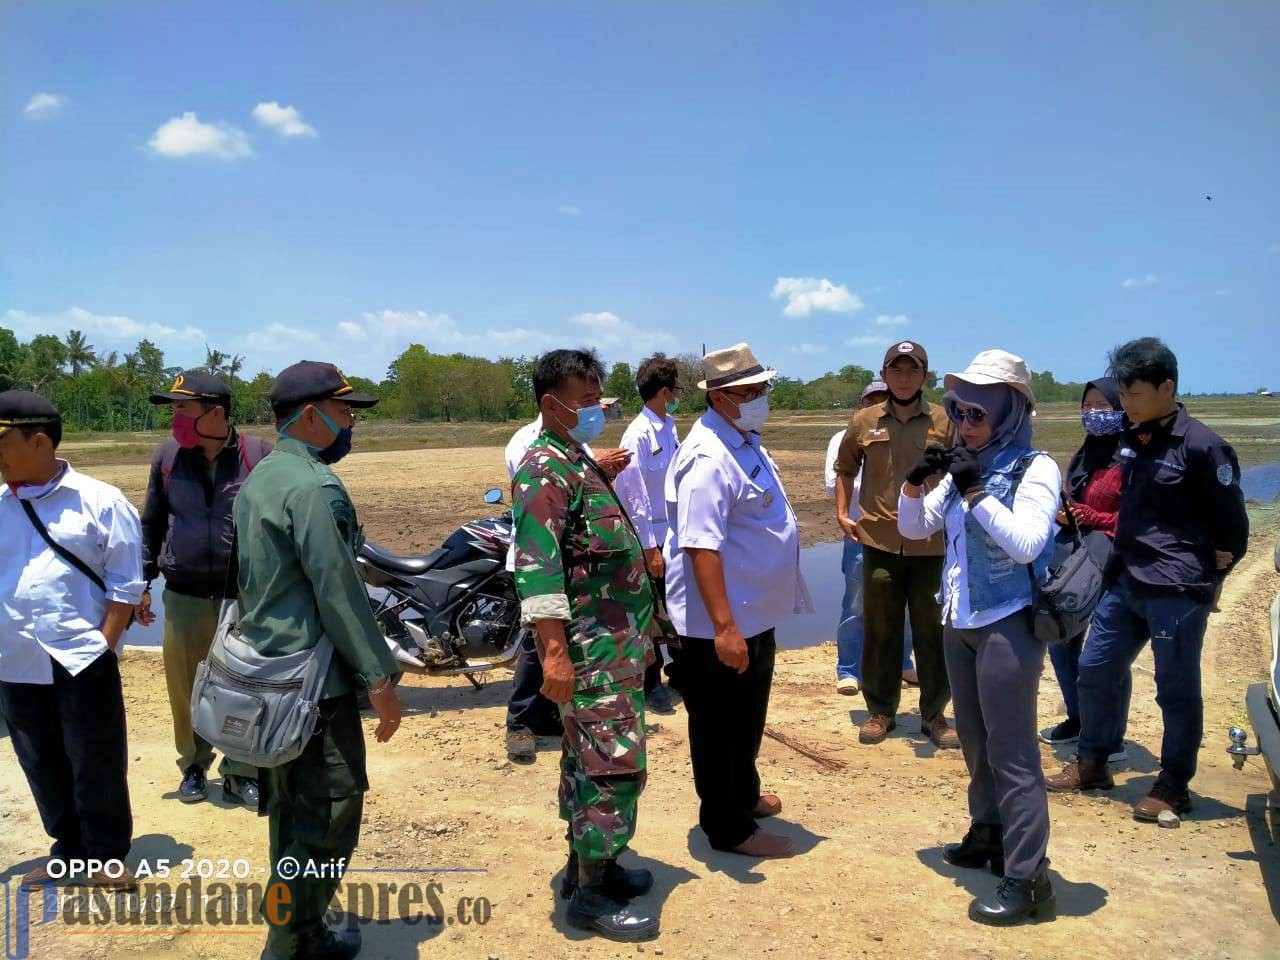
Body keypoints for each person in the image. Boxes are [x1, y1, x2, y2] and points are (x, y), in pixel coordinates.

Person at [235, 361, 403, 960]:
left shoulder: (263, 477)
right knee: (330, 812)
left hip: (265, 681)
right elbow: (337, 589)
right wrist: (379, 677)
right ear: (310, 416)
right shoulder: (314, 486)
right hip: (312, 688)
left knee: (288, 818)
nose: (351, 421)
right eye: (344, 410)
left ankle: (288, 928)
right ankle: (293, 942)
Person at [1047, 338, 1248, 822]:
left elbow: (1233, 526)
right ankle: (1092, 761)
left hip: (1176, 590)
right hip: (1126, 580)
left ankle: (1173, 783)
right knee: (1094, 668)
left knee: (1174, 687)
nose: (1126, 404)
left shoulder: (1202, 446)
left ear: (1167, 387)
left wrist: (1217, 572)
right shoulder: (1132, 442)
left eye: (1133, 394)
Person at [899, 350, 1060, 925]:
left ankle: (1027, 876)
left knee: (1013, 751)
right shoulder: (968, 461)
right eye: (959, 412)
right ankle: (988, 831)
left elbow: (1027, 545)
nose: (965, 425)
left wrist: (975, 494)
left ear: (1008, 410)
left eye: (977, 413)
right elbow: (914, 528)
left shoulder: (1034, 467)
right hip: (959, 622)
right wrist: (917, 484)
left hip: (1007, 623)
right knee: (973, 736)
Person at [511, 348, 658, 941]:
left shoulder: (577, 461)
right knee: (612, 766)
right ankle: (591, 898)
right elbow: (538, 569)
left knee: (587, 760)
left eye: (600, 397)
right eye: (588, 400)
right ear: (553, 405)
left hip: (614, 648)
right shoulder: (543, 469)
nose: (598, 409)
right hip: (589, 650)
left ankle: (593, 865)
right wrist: (553, 653)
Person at [665, 343, 812, 858]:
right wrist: (725, 628)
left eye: (763, 389)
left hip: (752, 612)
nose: (763, 398)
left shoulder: (742, 439)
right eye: (753, 392)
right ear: (723, 397)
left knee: (747, 714)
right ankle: (727, 827)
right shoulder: (707, 457)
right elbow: (701, 547)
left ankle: (743, 795)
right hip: (718, 622)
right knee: (720, 724)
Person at [0, 391, 144, 892]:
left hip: (81, 655)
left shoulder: (101, 500)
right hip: (15, 658)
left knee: (95, 755)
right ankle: (67, 850)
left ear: (38, 441)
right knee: (39, 759)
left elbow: (127, 585)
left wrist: (104, 644)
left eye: (2, 443)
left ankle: (106, 853)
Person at [138, 371, 272, 808]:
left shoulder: (259, 457)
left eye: (182, 407)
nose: (174, 416)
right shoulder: (167, 458)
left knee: (244, 685)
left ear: (215, 412)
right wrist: (143, 583)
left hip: (243, 598)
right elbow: (152, 523)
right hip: (184, 595)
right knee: (185, 688)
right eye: (172, 407)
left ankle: (241, 771)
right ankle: (193, 765)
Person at [833, 341, 959, 748]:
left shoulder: (945, 420)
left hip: (932, 546)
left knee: (932, 632)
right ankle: (880, 710)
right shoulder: (864, 421)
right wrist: (841, 512)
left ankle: (935, 715)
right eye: (896, 370)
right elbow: (845, 468)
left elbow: (963, 472)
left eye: (912, 370)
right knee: (881, 630)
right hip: (880, 542)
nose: (904, 378)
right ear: (884, 375)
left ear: (925, 376)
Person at [502, 413, 631, 761]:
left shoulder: (575, 443)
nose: (593, 412)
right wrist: (596, 466)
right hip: (540, 561)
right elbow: (542, 492)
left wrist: (600, 468)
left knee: (563, 644)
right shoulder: (528, 443)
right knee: (538, 646)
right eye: (584, 401)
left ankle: (550, 715)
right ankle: (520, 724)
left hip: (570, 561)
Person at [1039, 378, 1131, 759]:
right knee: (1061, 641)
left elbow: (1138, 518)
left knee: (1104, 653)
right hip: (1075, 561)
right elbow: (1072, 502)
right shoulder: (1082, 456)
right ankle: (1078, 719)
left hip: (1114, 565)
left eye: (1103, 406)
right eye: (1088, 406)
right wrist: (1065, 515)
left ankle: (1110, 737)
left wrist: (1092, 515)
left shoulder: (1132, 459)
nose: (1094, 414)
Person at [824, 380, 916, 695]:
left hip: (902, 533)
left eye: (883, 400)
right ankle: (848, 669)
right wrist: (881, 491)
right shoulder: (842, 438)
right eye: (871, 400)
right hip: (859, 533)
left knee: (903, 603)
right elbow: (834, 483)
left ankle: (903, 662)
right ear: (861, 405)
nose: (877, 406)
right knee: (856, 603)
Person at [613, 353, 682, 714]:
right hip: (650, 535)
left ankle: (681, 673)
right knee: (651, 613)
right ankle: (651, 683)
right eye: (675, 389)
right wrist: (649, 547)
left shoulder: (669, 426)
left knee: (678, 606)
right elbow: (634, 496)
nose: (677, 396)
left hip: (674, 530)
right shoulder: (637, 434)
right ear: (665, 391)